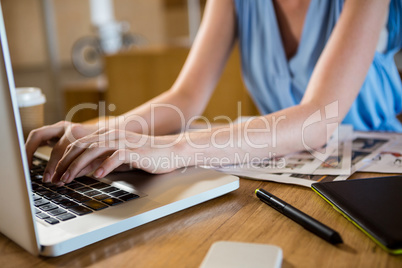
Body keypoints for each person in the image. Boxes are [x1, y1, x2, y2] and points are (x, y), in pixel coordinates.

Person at [26, 0, 401, 186]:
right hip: (291, 174)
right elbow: (185, 97)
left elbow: (316, 119)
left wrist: (175, 149)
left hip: (374, 176)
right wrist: (102, 130)